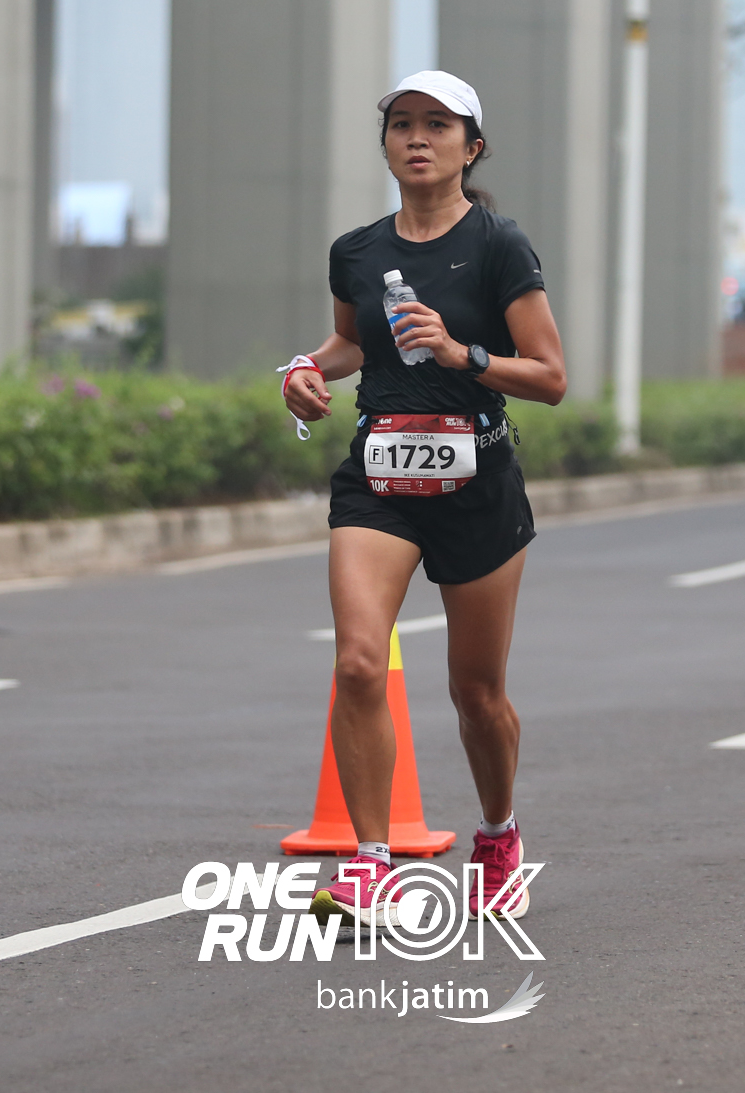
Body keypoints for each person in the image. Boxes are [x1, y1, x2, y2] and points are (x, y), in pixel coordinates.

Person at [279, 70, 566, 929]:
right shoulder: (357, 251)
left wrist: (461, 354)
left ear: (471, 147)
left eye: (437, 125)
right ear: (386, 146)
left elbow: (550, 376)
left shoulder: (499, 245)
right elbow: (351, 341)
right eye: (402, 123)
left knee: (476, 693)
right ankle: (370, 864)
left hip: (477, 481)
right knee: (361, 662)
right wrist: (305, 369)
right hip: (380, 479)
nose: (416, 137)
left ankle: (498, 835)